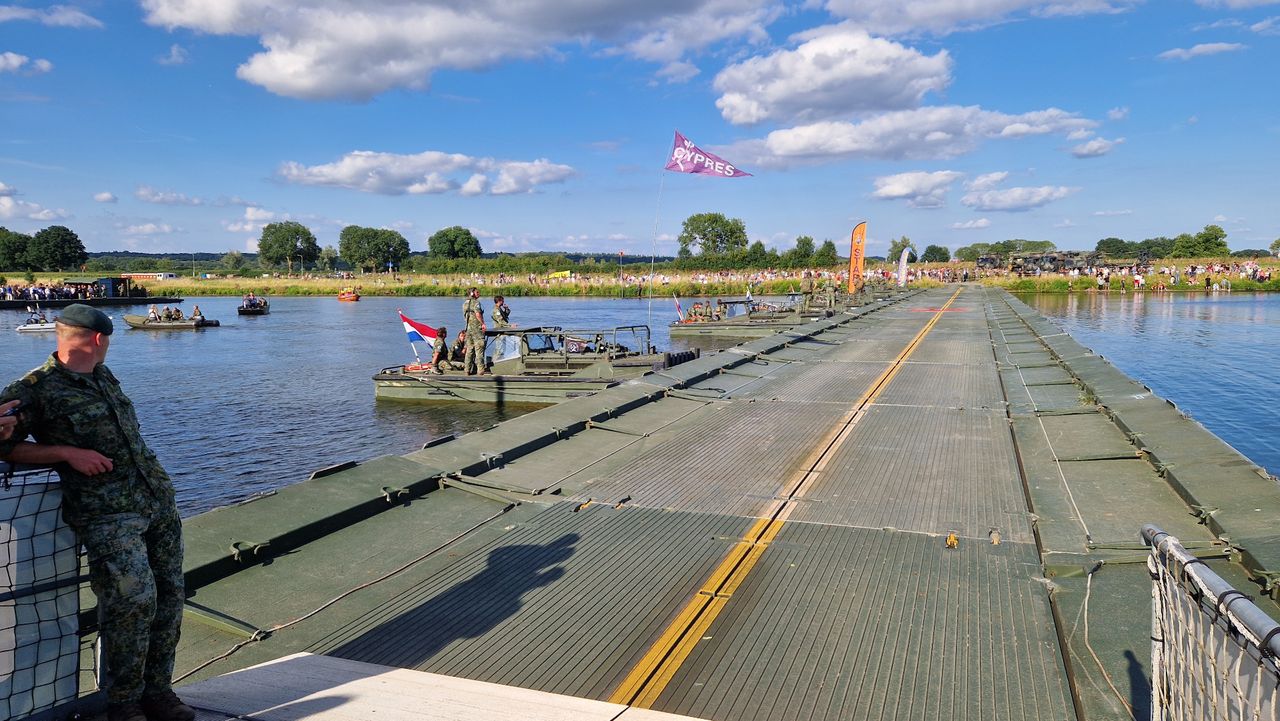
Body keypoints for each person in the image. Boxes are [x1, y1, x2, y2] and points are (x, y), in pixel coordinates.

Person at [0, 305, 194, 721]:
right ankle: (124, 703)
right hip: (106, 513)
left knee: (169, 597)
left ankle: (159, 693)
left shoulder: (102, 376)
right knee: (132, 601)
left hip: (155, 501)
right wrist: (66, 453)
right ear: (100, 339)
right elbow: (5, 445)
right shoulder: (35, 389)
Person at [461, 287, 487, 375]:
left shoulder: (465, 303)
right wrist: (483, 323)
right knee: (479, 349)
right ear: (472, 293)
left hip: (468, 329)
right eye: (477, 292)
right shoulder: (476, 303)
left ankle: (467, 370)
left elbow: (465, 316)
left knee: (469, 350)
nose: (479, 293)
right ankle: (480, 370)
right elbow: (478, 314)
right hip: (477, 329)